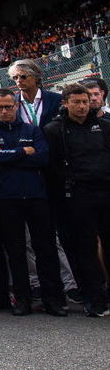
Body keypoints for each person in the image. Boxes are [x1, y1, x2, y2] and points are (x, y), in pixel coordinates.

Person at [0, 87, 64, 316]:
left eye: (8, 106)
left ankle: (53, 299)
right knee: (16, 251)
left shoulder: (32, 129)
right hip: (7, 198)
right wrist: (23, 151)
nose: (4, 111)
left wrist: (8, 154)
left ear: (16, 106)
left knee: (45, 249)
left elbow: (42, 158)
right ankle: (23, 300)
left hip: (37, 196)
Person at [44, 81, 110, 317]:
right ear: (66, 103)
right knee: (85, 250)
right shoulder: (54, 130)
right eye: (77, 102)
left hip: (105, 194)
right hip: (77, 198)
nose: (82, 106)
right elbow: (51, 167)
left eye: (85, 101)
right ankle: (94, 299)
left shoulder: (103, 126)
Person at [9, 60, 62, 128]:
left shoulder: (56, 99)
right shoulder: (12, 103)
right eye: (15, 77)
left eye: (23, 77)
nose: (18, 80)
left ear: (36, 78)